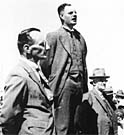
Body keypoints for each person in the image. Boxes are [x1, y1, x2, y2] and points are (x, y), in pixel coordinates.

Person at [40, 3, 88, 135]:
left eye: (75, 12)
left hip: (79, 87)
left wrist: (85, 89)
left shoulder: (81, 38)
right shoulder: (54, 36)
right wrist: (50, 86)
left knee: (77, 125)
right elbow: (45, 64)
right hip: (63, 86)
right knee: (62, 127)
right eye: (70, 13)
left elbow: (84, 65)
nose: (74, 15)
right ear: (62, 16)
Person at [0, 28, 54, 135]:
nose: (47, 48)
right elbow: (8, 116)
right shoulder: (19, 75)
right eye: (42, 45)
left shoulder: (37, 72)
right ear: (27, 48)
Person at [75, 68, 117, 135]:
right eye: (101, 80)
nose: (104, 83)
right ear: (94, 82)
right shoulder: (88, 96)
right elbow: (80, 120)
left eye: (105, 80)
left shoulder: (107, 98)